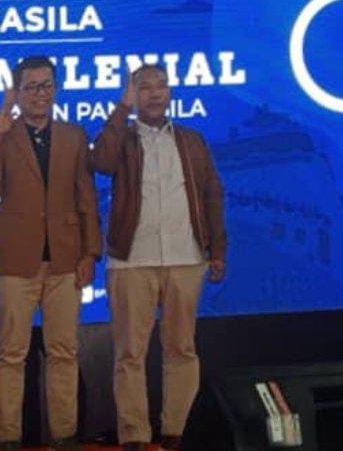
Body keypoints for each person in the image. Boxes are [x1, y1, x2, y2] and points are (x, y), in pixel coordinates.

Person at [91, 64, 227, 451]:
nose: (153, 93)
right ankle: (134, 434)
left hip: (186, 257)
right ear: (133, 94)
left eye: (160, 86)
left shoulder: (191, 140)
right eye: (144, 87)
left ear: (170, 93)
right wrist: (122, 108)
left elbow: (212, 193)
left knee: (181, 349)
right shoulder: (124, 138)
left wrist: (217, 249)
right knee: (130, 353)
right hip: (132, 260)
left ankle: (176, 432)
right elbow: (101, 162)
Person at [0, 56, 101, 451]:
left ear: (56, 89)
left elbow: (86, 198)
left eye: (46, 85)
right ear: (17, 93)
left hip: (66, 259)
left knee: (64, 352)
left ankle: (65, 437)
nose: (39, 94)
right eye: (30, 87)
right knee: (11, 355)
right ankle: (8, 438)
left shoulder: (74, 136)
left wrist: (90, 253)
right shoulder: (2, 135)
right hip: (16, 261)